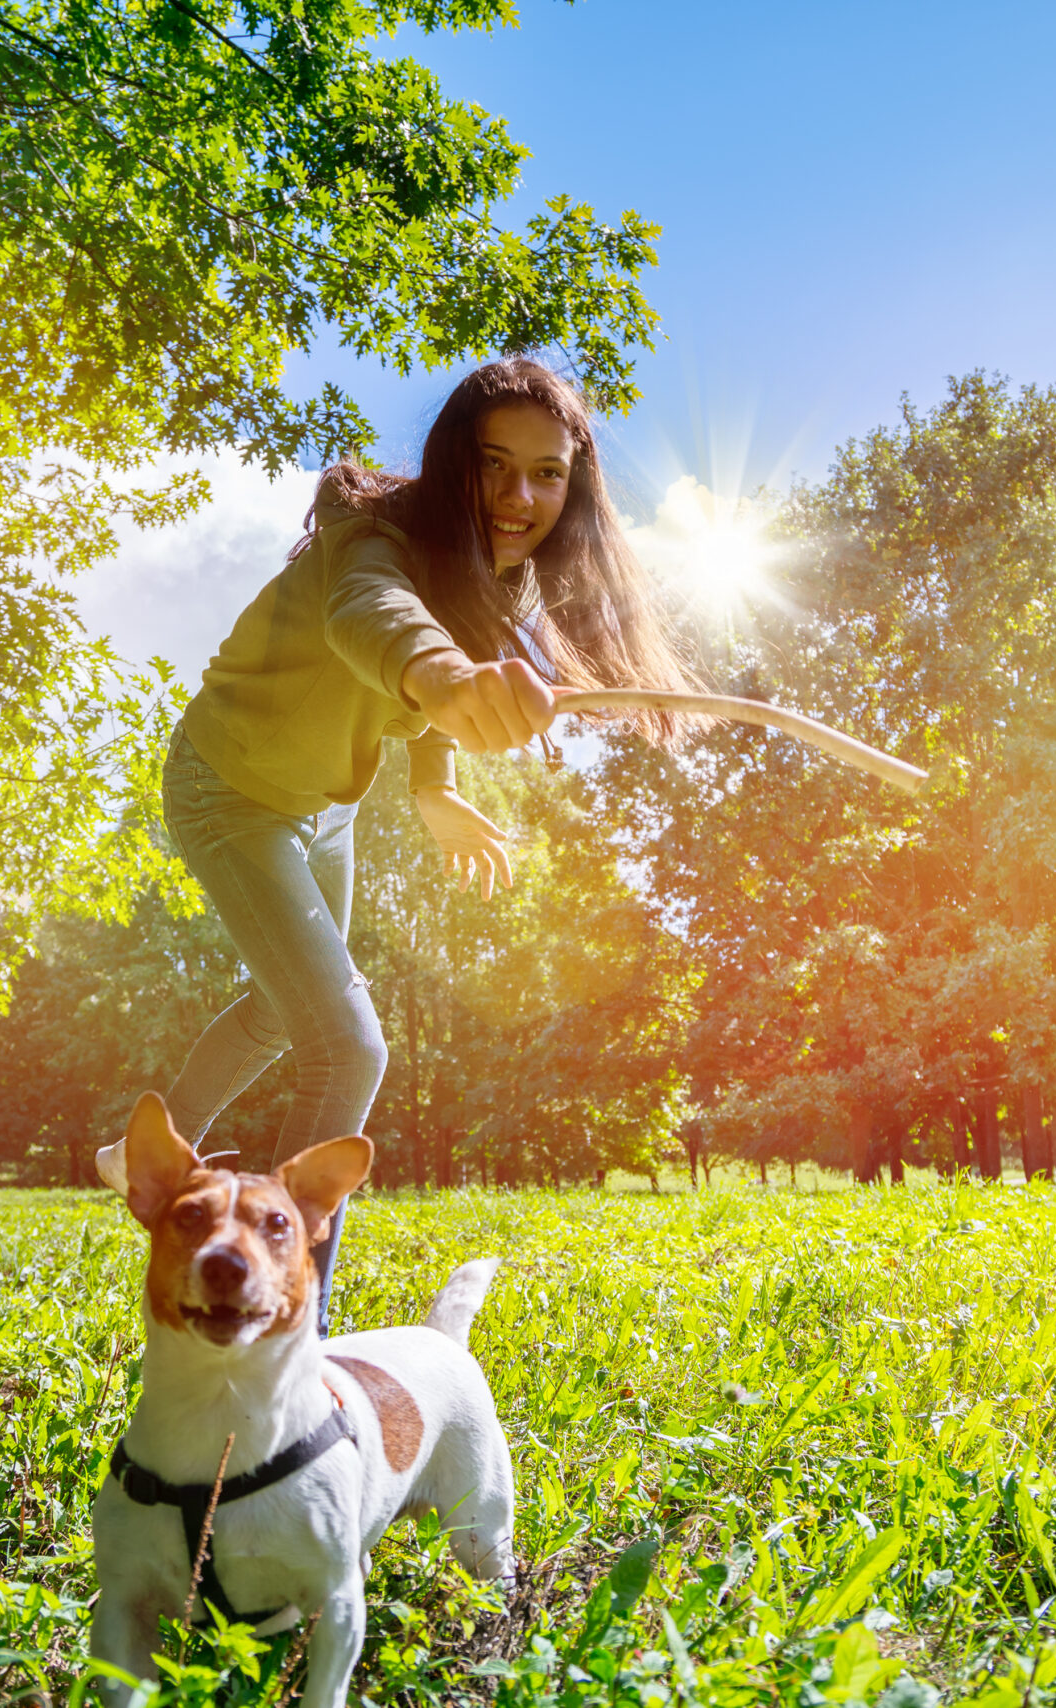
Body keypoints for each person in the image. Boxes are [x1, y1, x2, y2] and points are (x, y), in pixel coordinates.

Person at [152, 357, 690, 1331]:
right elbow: (379, 622)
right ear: (451, 463)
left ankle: (146, 1154)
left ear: (575, 488)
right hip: (226, 786)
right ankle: (287, 1326)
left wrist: (436, 787)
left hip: (322, 807)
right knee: (345, 1046)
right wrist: (446, 682)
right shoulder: (374, 540)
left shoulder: (489, 577)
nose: (517, 496)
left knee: (283, 1015)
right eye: (492, 464)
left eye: (545, 473)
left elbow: (448, 637)